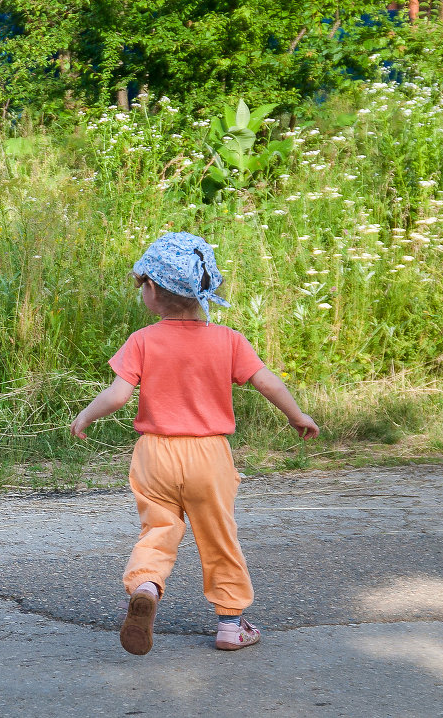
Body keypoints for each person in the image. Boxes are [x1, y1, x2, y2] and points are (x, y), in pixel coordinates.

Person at [69, 232, 319, 654]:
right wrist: (298, 416)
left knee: (159, 530)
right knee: (219, 536)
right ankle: (229, 625)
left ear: (151, 290)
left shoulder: (143, 340)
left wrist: (85, 415)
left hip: (155, 454)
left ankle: (146, 584)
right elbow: (266, 381)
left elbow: (117, 395)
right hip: (208, 455)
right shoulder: (228, 340)